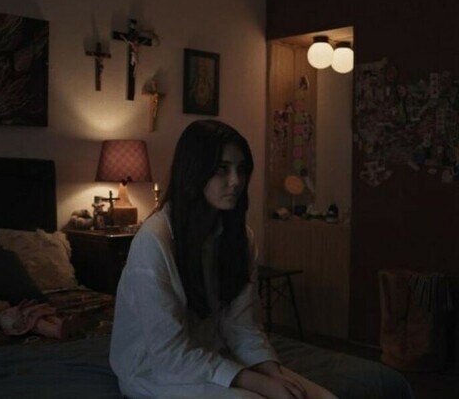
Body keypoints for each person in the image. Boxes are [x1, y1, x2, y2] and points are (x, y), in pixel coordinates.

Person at [109, 120, 336, 399]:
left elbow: (242, 326)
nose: (236, 181)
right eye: (222, 169)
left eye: (241, 169)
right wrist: (258, 383)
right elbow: (169, 354)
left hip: (213, 355)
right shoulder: (154, 241)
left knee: (320, 397)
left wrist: (274, 374)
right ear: (195, 171)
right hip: (155, 369)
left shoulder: (239, 238)